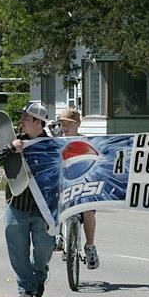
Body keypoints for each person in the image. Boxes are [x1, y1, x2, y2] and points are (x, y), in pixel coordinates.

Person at [0, 103, 54, 297]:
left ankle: (39, 275)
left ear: (38, 122)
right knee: (17, 251)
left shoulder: (53, 145)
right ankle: (25, 287)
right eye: (22, 117)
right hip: (17, 206)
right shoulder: (14, 141)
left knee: (44, 248)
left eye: (26, 117)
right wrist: (9, 149)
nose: (21, 121)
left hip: (43, 209)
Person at [57, 108, 99, 269]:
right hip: (62, 184)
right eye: (62, 123)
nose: (65, 126)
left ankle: (90, 247)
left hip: (83, 184)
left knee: (87, 209)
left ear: (78, 124)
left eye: (69, 123)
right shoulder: (55, 142)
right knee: (53, 205)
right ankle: (58, 236)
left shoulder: (88, 141)